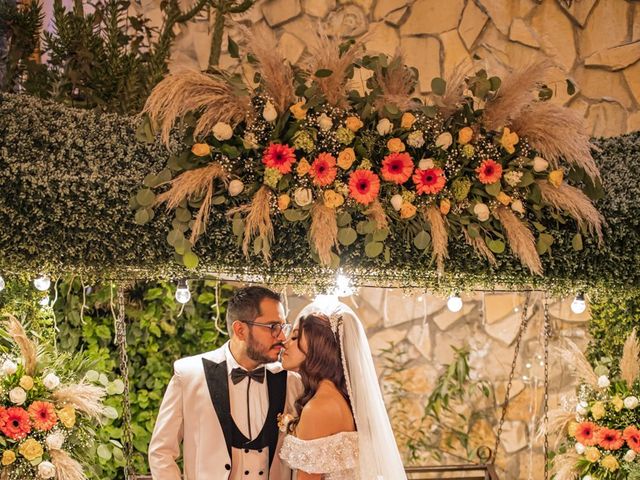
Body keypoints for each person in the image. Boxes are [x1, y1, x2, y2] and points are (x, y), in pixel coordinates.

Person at [148, 285, 302, 480]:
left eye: (283, 327)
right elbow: (161, 452)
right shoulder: (188, 375)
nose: (281, 336)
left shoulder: (290, 381)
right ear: (240, 330)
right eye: (273, 327)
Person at [278, 296, 407, 480]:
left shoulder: (318, 408)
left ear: (317, 347)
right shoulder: (342, 399)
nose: (285, 343)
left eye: (295, 337)